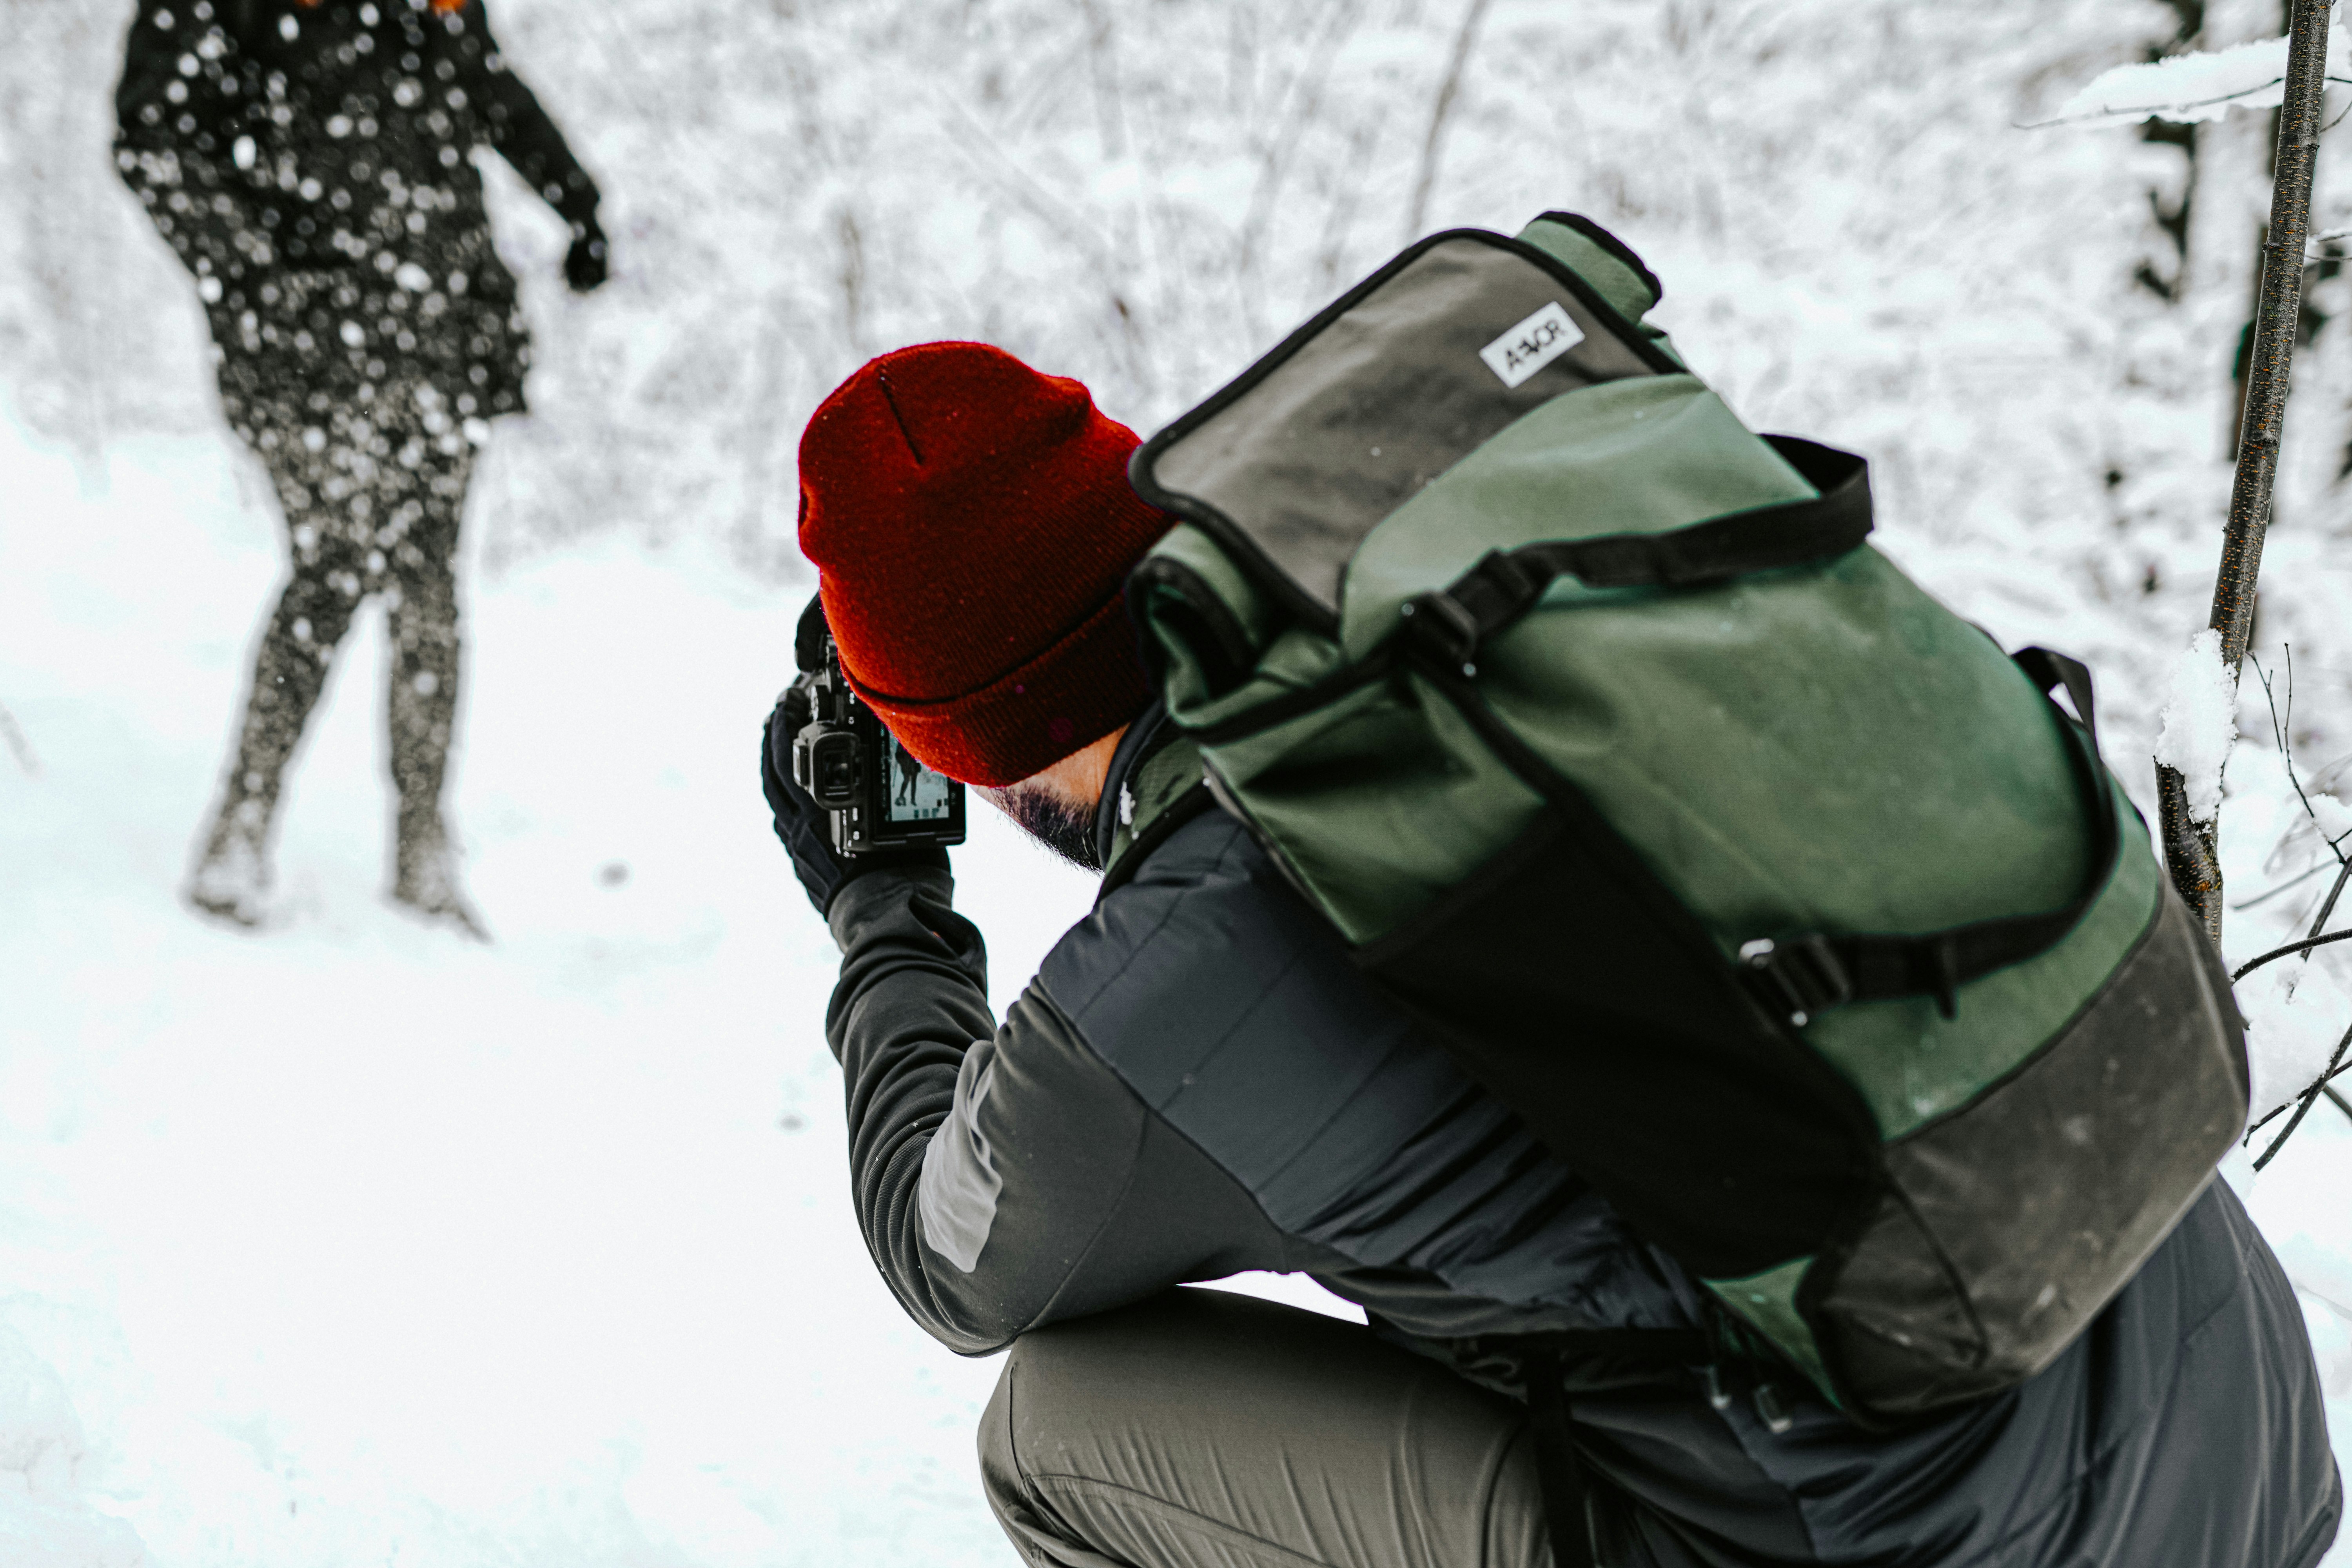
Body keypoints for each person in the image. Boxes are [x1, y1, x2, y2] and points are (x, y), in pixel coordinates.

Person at [760, 341, 2341, 1568]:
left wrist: (884, 894)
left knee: (1057, 1425)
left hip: (1917, 1546)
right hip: (2241, 1437)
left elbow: (951, 1251)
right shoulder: (1519, 609)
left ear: (964, 744)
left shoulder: (1173, 979)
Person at [113, 0, 608, 935]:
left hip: (443, 321)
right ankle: (241, 823)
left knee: (427, 579)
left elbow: (486, 86)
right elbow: (153, 141)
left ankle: (423, 848)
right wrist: (256, 272)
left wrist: (575, 198)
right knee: (337, 559)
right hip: (301, 339)